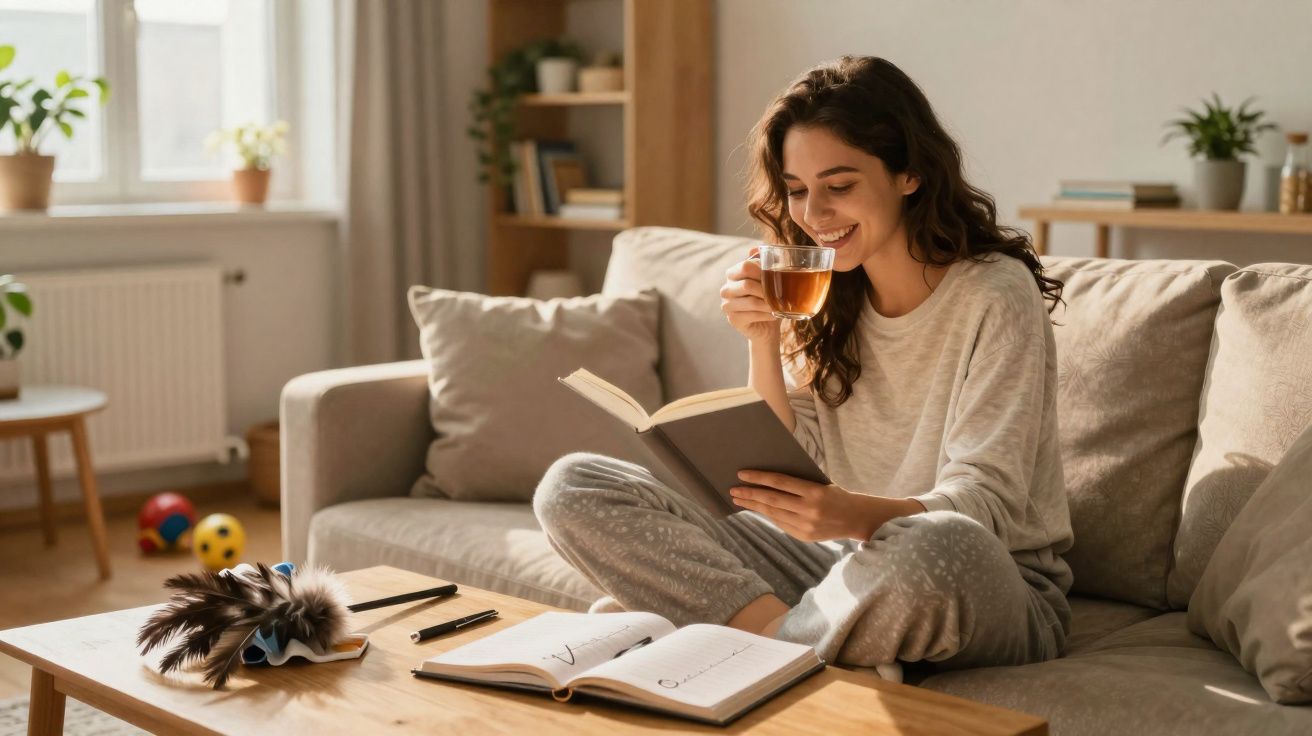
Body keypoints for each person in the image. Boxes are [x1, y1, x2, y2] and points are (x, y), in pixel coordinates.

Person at [533, 55, 1073, 679]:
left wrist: (854, 514)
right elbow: (795, 456)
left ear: (910, 174)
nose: (813, 215)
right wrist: (763, 339)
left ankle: (747, 647)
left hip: (984, 577)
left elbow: (987, 504)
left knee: (934, 544)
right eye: (797, 190)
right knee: (574, 485)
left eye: (839, 186)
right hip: (836, 565)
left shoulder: (995, 294)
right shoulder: (823, 292)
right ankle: (796, 640)